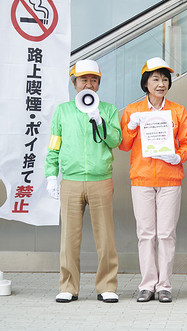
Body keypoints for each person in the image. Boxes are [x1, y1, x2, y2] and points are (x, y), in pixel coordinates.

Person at [45, 59, 122, 303]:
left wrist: (100, 121)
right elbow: (54, 145)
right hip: (71, 180)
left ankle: (107, 285)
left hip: (101, 179)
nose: (88, 84)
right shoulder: (63, 111)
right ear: (74, 83)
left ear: (98, 83)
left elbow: (116, 141)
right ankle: (68, 286)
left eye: (93, 79)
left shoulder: (108, 110)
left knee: (105, 237)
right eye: (83, 79)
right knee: (69, 236)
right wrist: (50, 174)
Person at [119, 57, 187, 303]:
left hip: (170, 179)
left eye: (164, 79)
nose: (161, 84)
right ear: (145, 83)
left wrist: (178, 156)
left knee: (166, 234)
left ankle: (164, 285)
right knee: (146, 234)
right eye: (155, 79)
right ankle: (147, 285)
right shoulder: (132, 110)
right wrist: (131, 126)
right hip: (141, 180)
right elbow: (123, 144)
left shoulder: (178, 111)